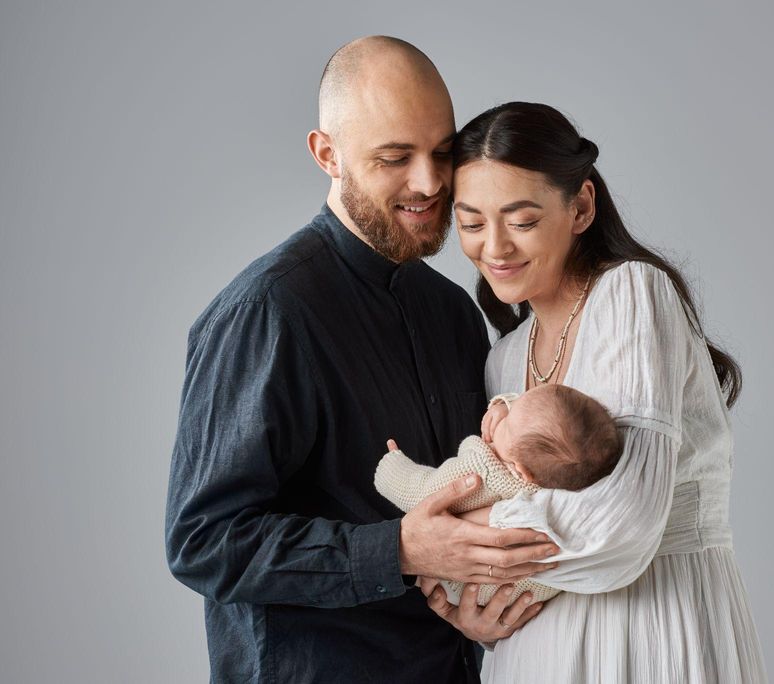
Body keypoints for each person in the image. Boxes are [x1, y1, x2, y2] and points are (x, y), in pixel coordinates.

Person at [164, 39, 558, 683]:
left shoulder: (455, 313)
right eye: (395, 158)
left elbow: (470, 498)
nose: (430, 183)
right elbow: (203, 543)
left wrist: (475, 616)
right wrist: (398, 550)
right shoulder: (268, 310)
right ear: (327, 155)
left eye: (442, 152)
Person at [421, 101, 769, 682]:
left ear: (580, 206)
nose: (495, 248)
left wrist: (457, 544)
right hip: (532, 652)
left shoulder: (632, 294)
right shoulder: (504, 358)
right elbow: (513, 509)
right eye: (473, 223)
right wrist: (475, 613)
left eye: (523, 220)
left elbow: (623, 524)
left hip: (657, 631)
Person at [374, 383, 623, 606]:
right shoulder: (562, 481)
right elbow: (536, 421)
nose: (506, 414)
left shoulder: (482, 470)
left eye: (508, 420)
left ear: (519, 470)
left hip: (461, 582)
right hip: (525, 592)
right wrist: (505, 407)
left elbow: (419, 495)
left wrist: (390, 466)